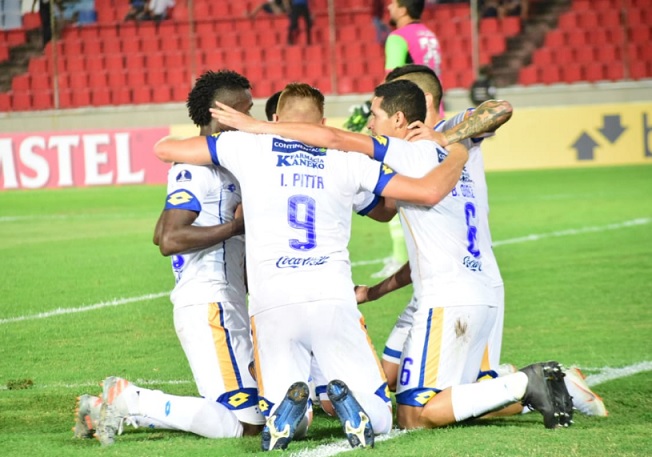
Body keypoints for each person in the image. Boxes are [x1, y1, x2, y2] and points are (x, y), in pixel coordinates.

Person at [209, 79, 574, 431]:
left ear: (399, 118)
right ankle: (558, 387)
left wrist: (256, 128)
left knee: (413, 413)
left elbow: (334, 139)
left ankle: (526, 383)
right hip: (483, 288)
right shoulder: (457, 141)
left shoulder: (409, 149)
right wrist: (457, 144)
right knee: (442, 391)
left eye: (375, 114)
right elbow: (498, 109)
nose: (370, 123)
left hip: (447, 296)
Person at [154, 81, 470, 450]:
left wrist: (246, 129)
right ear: (321, 123)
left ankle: (290, 415)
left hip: (271, 304)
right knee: (381, 413)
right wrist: (458, 153)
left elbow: (165, 148)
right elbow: (423, 194)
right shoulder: (348, 159)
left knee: (279, 409)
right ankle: (358, 409)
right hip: (331, 297)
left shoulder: (243, 146)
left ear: (275, 119)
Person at [357, 63, 607, 418]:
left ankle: (551, 385)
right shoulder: (409, 149)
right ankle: (542, 384)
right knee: (394, 380)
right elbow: (387, 209)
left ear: (421, 99)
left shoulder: (451, 131)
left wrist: (447, 138)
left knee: (452, 396)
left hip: (469, 281)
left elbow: (499, 108)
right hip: (437, 280)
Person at [75, 70, 265, 446]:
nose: (250, 118)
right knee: (247, 424)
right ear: (222, 112)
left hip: (214, 303)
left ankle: (108, 411)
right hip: (212, 304)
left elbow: (158, 231)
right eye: (245, 110)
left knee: (252, 410)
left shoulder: (202, 163)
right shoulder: (199, 168)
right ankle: (130, 398)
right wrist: (235, 227)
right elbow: (170, 238)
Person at [379, 0, 445, 279]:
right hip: (436, 120)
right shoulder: (429, 36)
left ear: (403, 8)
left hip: (410, 123)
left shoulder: (398, 37)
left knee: (394, 187)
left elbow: (392, 85)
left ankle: (400, 257)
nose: (389, 7)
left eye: (393, 3)